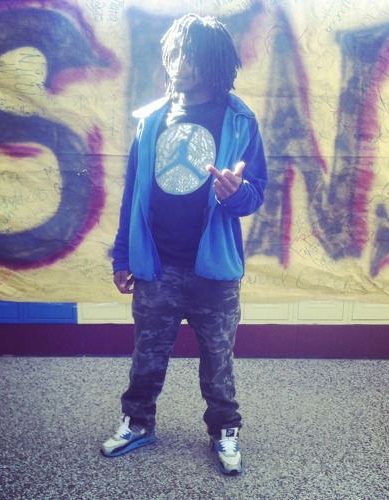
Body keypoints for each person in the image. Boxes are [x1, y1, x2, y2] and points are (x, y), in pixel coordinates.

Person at [101, 13, 267, 476]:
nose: (178, 63)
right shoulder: (151, 120)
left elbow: (256, 193)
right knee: (147, 355)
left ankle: (225, 429)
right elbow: (134, 195)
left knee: (218, 360)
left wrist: (236, 194)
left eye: (189, 55)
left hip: (215, 269)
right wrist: (122, 254)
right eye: (173, 54)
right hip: (158, 265)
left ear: (214, 61)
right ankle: (137, 422)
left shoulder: (241, 121)